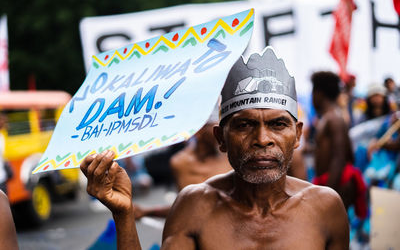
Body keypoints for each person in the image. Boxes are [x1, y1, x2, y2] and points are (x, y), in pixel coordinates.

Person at [81, 47, 349, 249]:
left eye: (278, 124)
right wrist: (124, 214)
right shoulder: (195, 205)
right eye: (244, 125)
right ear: (221, 137)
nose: (262, 139)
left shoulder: (324, 207)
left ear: (298, 134)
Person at [134, 118, 232, 219]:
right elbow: (188, 207)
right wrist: (147, 212)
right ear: (199, 131)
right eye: (215, 128)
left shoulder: (229, 158)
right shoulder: (180, 162)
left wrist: (147, 212)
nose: (222, 133)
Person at [311, 71, 367, 219]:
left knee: (336, 234)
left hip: (336, 184)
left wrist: (327, 193)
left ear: (319, 94)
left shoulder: (334, 119)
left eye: (313, 92)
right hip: (332, 183)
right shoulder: (328, 118)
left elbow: (340, 157)